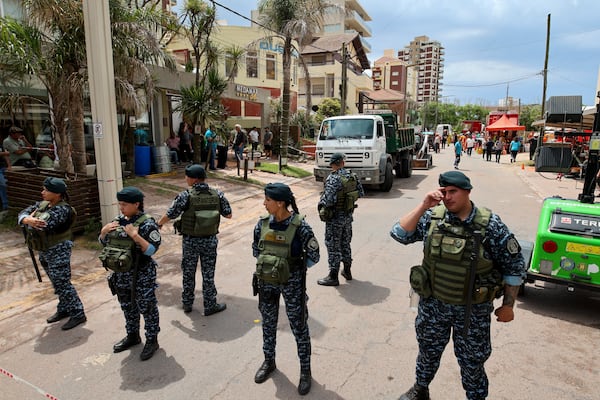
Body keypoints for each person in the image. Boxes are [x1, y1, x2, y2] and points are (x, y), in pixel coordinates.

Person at [390, 170, 526, 400]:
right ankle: (420, 389)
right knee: (427, 352)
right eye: (444, 192)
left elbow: (514, 266)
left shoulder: (489, 226)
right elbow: (399, 233)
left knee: (472, 363)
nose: (448, 197)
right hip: (434, 306)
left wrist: (508, 305)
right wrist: (424, 205)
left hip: (472, 311)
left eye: (453, 192)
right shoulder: (434, 217)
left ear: (468, 192)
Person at [252, 183, 320, 395]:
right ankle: (269, 361)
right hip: (267, 283)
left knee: (299, 326)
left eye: (268, 200)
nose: (264, 203)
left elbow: (314, 256)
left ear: (280, 203)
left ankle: (305, 371)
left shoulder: (300, 227)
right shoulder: (262, 224)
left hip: (292, 285)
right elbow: (257, 250)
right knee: (268, 323)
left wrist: (293, 268)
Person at [157, 164, 232, 314]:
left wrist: (158, 224)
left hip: (191, 241)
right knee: (208, 273)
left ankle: (187, 303)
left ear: (194, 179)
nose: (185, 179)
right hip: (210, 240)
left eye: (187, 176)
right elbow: (228, 214)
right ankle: (210, 305)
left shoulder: (186, 195)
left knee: (188, 272)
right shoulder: (217, 194)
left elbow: (171, 213)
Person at [98, 187, 162, 361]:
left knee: (147, 308)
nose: (121, 207)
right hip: (121, 274)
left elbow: (151, 251)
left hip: (141, 274)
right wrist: (103, 233)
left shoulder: (147, 224)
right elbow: (106, 245)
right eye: (120, 203)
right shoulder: (117, 221)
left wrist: (136, 237)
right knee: (127, 307)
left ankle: (152, 340)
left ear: (136, 204)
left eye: (124, 204)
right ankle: (133, 335)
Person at [19, 177, 86, 330]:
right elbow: (23, 213)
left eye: (46, 190)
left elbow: (42, 225)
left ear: (57, 194)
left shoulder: (62, 209)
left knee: (62, 281)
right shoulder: (44, 205)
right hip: (44, 249)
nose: (42, 192)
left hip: (58, 249)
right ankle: (64, 307)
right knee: (56, 281)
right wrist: (27, 219)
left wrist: (30, 219)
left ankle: (77, 312)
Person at [316, 152, 364, 286]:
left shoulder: (333, 178)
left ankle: (333, 276)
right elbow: (360, 193)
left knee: (333, 246)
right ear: (343, 162)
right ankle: (347, 271)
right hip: (348, 217)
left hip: (335, 218)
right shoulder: (352, 176)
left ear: (332, 164)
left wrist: (321, 205)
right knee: (345, 243)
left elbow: (329, 200)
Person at [0, 142, 10, 210]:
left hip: (3, 166)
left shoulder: (0, 145)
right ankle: (5, 204)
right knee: (3, 184)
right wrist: (5, 153)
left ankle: (6, 204)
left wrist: (9, 165)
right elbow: (5, 153)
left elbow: (6, 155)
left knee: (3, 185)